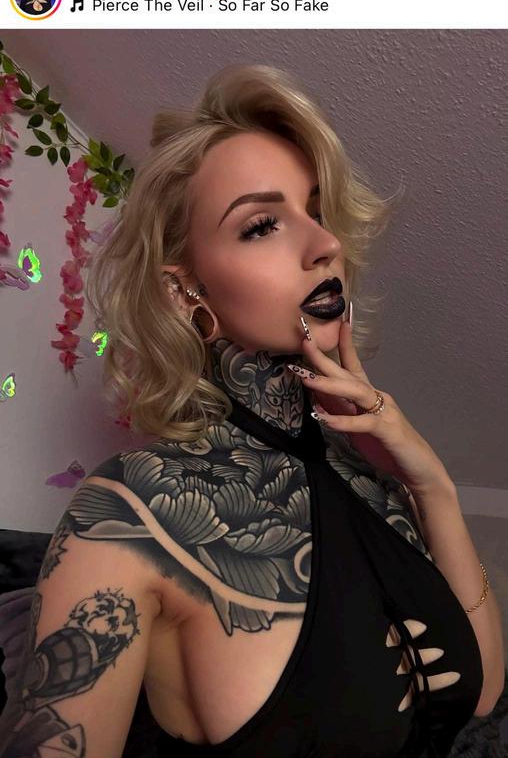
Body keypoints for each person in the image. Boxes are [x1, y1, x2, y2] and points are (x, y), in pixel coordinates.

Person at [0, 64, 486, 757]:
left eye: (317, 212)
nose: (325, 245)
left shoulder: (374, 478)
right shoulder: (128, 512)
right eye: (262, 225)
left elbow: (481, 694)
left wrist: (430, 483)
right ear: (185, 291)